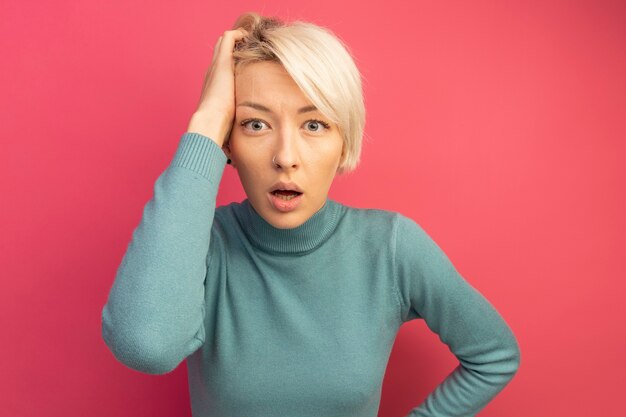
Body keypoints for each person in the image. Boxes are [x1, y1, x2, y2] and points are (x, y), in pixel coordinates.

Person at [101, 11, 521, 417]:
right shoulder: (200, 248)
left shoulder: (391, 247)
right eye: (255, 125)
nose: (286, 157)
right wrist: (207, 121)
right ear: (228, 143)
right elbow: (146, 346)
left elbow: (494, 355)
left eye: (314, 125)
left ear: (344, 141)